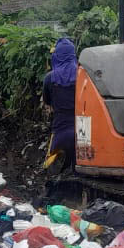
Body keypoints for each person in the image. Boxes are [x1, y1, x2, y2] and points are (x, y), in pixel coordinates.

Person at [42, 37, 77, 169]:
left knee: (50, 168)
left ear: (57, 56)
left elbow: (47, 102)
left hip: (60, 130)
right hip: (82, 134)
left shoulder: (49, 79)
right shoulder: (83, 76)